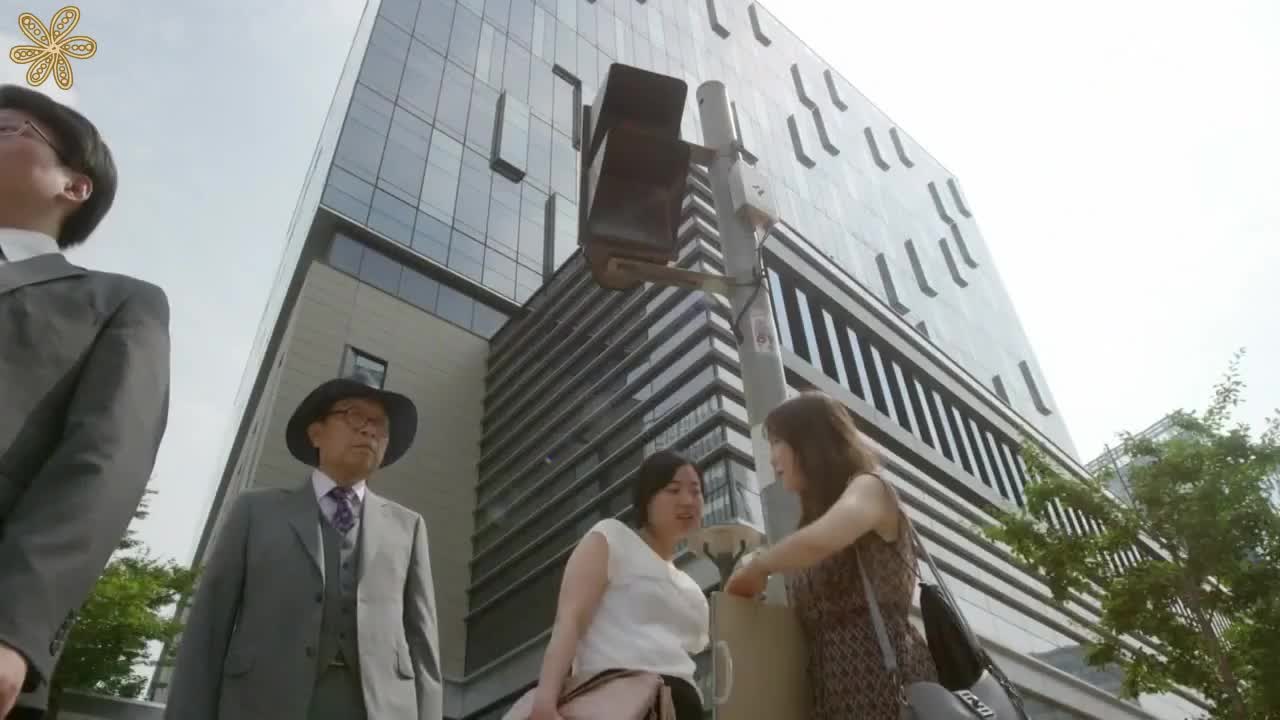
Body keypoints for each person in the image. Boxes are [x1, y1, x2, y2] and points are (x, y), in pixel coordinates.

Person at [0, 85, 170, 719]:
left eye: (7, 129)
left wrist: (15, 626)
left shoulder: (120, 303)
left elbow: (103, 461)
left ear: (73, 186)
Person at [164, 378, 443, 720]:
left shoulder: (409, 527)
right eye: (355, 416)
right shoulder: (255, 512)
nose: (370, 430)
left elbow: (423, 644)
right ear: (316, 433)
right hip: (263, 704)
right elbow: (208, 629)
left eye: (380, 425)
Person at [725, 391, 938, 719]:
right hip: (832, 690)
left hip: (887, 682)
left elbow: (821, 541)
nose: (771, 458)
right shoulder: (812, 522)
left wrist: (759, 566)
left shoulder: (870, 487)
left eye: (777, 441)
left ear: (810, 442)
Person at [529, 451, 709, 720]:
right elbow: (570, 619)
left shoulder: (691, 588)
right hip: (621, 704)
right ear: (646, 498)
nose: (688, 501)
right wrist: (545, 701)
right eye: (673, 490)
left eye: (696, 491)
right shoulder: (611, 538)